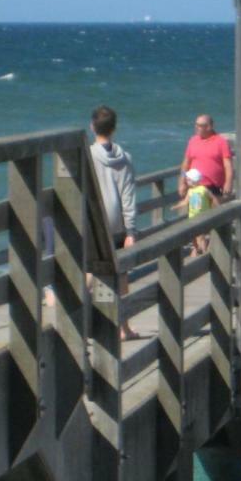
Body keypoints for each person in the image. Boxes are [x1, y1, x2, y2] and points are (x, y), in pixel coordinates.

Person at [88, 104, 139, 339]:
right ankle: (123, 327)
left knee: (91, 273)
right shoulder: (124, 158)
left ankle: (81, 323)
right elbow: (128, 195)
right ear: (114, 128)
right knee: (122, 278)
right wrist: (131, 230)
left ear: (92, 127)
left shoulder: (86, 156)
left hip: (93, 224)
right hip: (118, 225)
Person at [180, 114, 233, 200]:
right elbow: (185, 164)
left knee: (215, 212)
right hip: (194, 187)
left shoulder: (221, 142)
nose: (196, 127)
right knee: (195, 212)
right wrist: (182, 183)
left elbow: (228, 166)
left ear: (209, 127)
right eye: (196, 124)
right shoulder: (193, 141)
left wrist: (228, 183)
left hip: (213, 188)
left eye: (200, 125)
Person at [169, 168, 214, 256]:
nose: (186, 181)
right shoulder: (190, 191)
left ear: (193, 181)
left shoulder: (203, 189)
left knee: (201, 236)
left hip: (203, 217)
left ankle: (204, 253)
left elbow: (212, 197)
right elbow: (185, 202)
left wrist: (212, 208)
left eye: (188, 179)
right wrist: (176, 206)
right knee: (193, 236)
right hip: (192, 217)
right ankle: (196, 249)